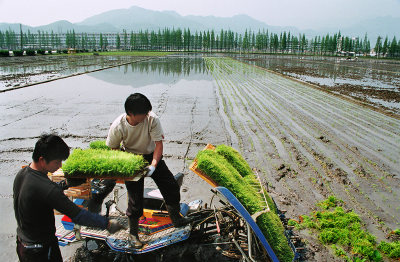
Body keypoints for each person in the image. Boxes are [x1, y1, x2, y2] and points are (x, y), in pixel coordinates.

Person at [13, 134, 125, 262]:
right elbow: (79, 215)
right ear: (42, 160)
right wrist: (107, 224)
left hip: (23, 244)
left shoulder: (22, 174)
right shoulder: (47, 188)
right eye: (57, 162)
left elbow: (40, 194)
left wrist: (65, 184)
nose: (60, 166)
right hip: (41, 251)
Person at [105, 93, 192, 248]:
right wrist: (125, 167)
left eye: (147, 112)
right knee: (135, 199)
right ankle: (133, 234)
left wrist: (153, 165)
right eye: (143, 113)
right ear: (131, 114)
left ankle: (176, 218)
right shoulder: (118, 125)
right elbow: (114, 149)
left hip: (152, 155)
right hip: (130, 159)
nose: (147, 115)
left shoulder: (152, 119)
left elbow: (158, 144)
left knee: (171, 186)